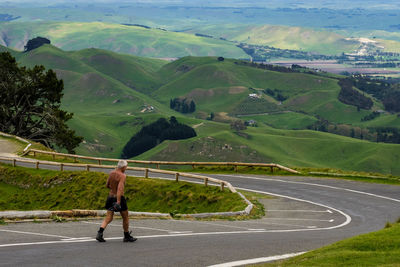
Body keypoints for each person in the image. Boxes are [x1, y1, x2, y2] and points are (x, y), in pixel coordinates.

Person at [96, 160, 137, 242]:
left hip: (110, 197)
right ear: (123, 167)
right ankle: (126, 236)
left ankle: (100, 233)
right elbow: (120, 189)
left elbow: (107, 185)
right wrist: (118, 201)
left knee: (109, 217)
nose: (126, 168)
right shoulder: (122, 175)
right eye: (126, 166)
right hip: (119, 198)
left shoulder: (111, 173)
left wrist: (113, 188)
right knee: (125, 217)